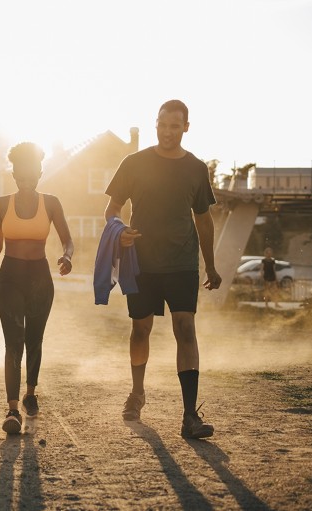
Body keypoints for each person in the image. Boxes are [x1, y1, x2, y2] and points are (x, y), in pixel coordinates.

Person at [104, 99, 222, 439]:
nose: (167, 131)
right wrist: (119, 230)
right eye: (162, 124)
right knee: (141, 330)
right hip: (141, 262)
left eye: (175, 125)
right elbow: (111, 208)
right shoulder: (134, 163)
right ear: (155, 123)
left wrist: (210, 265)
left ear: (186, 127)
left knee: (185, 330)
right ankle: (137, 393)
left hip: (182, 263)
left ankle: (189, 416)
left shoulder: (196, 169)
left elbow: (203, 219)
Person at [0, 142, 74, 434]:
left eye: (31, 175)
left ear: (39, 172)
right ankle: (11, 410)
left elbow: (67, 240)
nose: (25, 181)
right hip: (9, 276)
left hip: (39, 277)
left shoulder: (51, 203)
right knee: (14, 341)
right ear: (13, 175)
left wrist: (67, 256)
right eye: (20, 176)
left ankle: (30, 394)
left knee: (35, 339)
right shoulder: (0, 204)